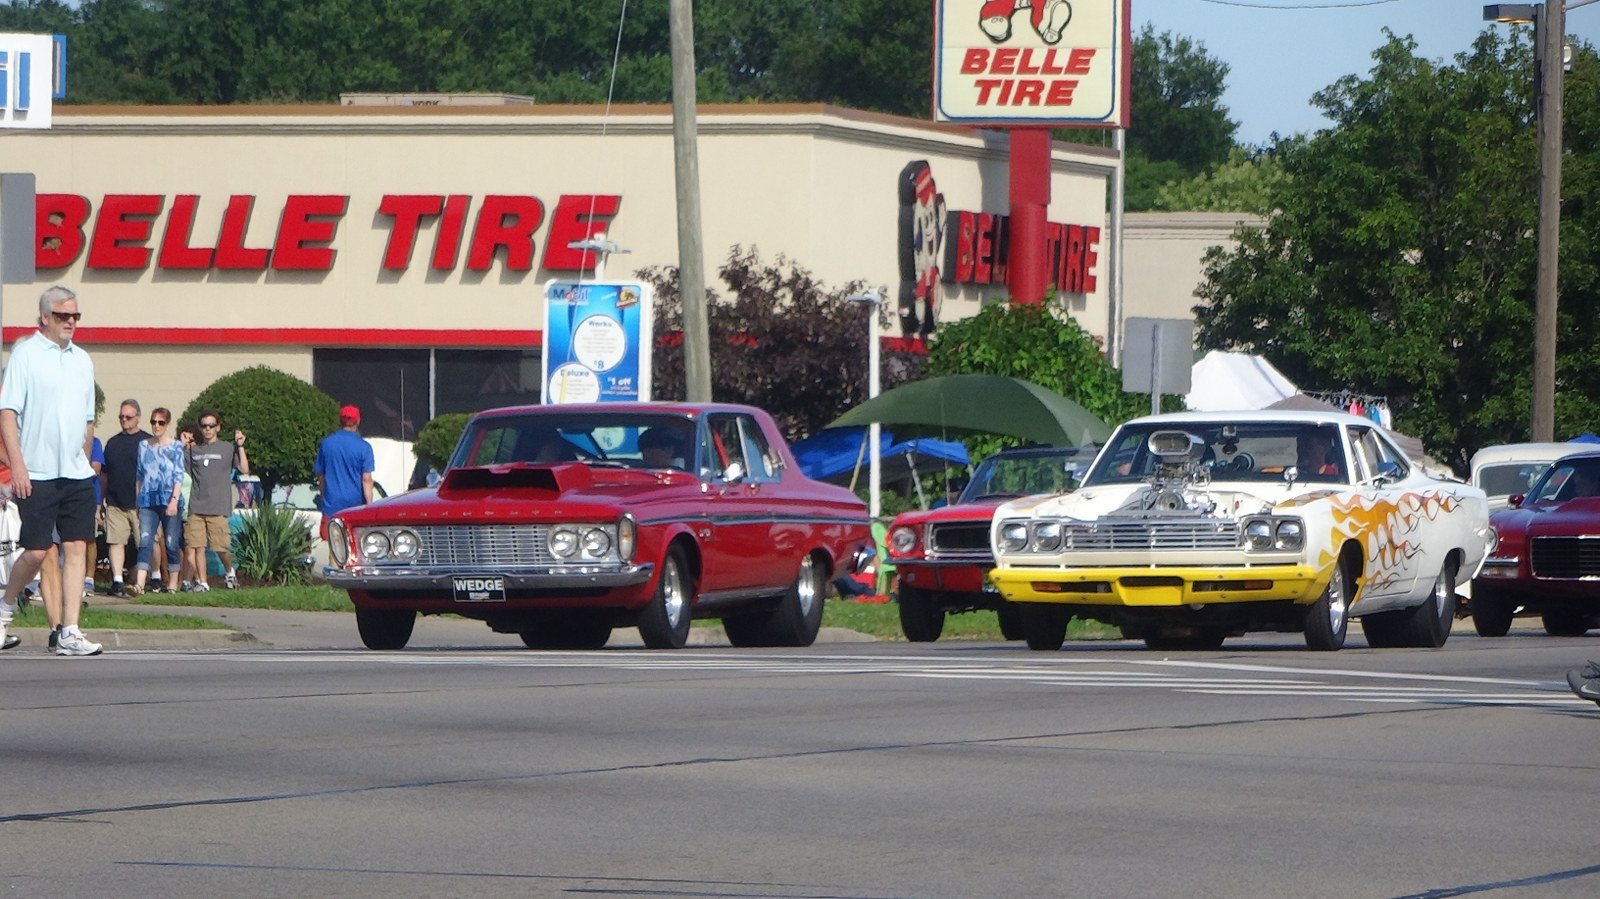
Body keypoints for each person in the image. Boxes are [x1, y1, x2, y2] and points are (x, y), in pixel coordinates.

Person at [0, 285, 103, 656]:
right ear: (45, 317)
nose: (70, 322)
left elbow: (88, 419)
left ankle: (69, 631)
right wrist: (18, 466)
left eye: (75, 316)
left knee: (76, 546)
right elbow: (7, 413)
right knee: (36, 552)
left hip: (75, 473)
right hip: (37, 473)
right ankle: (4, 610)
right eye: (63, 316)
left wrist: (85, 460)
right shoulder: (26, 354)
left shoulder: (82, 360)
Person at [184, 410, 248, 592]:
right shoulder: (193, 450)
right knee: (197, 546)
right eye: (204, 426)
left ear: (218, 427)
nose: (207, 429)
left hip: (218, 506)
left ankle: (229, 571)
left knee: (221, 547)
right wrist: (183, 445)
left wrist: (240, 446)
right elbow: (183, 469)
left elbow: (244, 469)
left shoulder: (227, 448)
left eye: (211, 426)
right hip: (196, 506)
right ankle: (203, 583)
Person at [132, 407, 185, 596]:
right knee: (145, 540)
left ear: (167, 424)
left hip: (169, 498)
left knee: (171, 542)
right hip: (148, 498)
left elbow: (178, 475)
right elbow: (139, 475)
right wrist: (138, 500)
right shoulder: (144, 445)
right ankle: (139, 584)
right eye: (153, 422)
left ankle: (172, 582)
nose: (156, 426)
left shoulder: (176, 447)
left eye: (161, 422)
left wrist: (174, 501)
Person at [101, 399, 149, 597]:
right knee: (116, 541)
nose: (124, 420)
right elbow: (104, 474)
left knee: (144, 543)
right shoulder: (112, 443)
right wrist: (102, 500)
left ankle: (153, 577)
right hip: (115, 502)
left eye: (128, 417)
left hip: (140, 504)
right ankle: (118, 580)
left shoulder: (146, 442)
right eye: (121, 416)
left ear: (138, 417)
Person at [314, 404, 374, 533]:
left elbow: (321, 477)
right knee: (355, 542)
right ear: (358, 421)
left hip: (331, 506)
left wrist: (324, 497)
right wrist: (369, 506)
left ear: (340, 421)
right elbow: (366, 479)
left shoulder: (326, 444)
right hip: (356, 507)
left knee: (332, 542)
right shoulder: (364, 447)